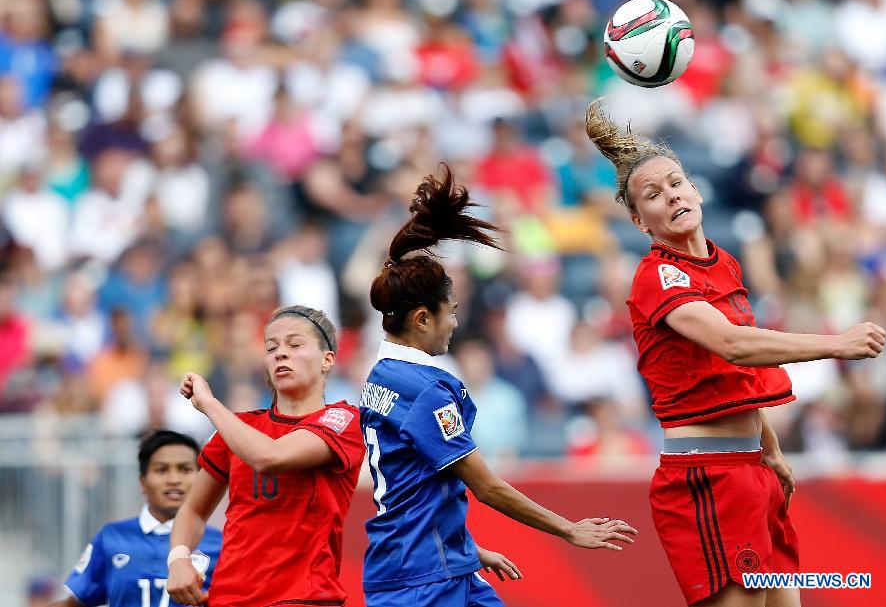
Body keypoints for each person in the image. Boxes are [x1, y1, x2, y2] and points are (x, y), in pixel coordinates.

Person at [584, 99, 886, 607]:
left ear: (696, 189)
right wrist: (836, 344)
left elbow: (729, 371)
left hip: (751, 471)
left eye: (676, 183)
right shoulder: (658, 276)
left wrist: (768, 446)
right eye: (653, 195)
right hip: (707, 477)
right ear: (640, 222)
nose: (672, 196)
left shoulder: (723, 264)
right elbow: (734, 344)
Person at [360, 166, 638, 607]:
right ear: (421, 319)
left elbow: (416, 482)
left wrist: (469, 548)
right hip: (421, 578)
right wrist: (569, 528)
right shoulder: (425, 390)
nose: (454, 322)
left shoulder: (381, 376)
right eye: (449, 311)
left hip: (437, 560)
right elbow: (486, 486)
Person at [167, 305, 365, 606]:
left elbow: (270, 457)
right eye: (271, 347)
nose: (280, 354)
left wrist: (209, 404)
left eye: (295, 344)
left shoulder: (343, 420)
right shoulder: (239, 428)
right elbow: (193, 509)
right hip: (227, 598)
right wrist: (179, 558)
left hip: (303, 599)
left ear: (328, 360)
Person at [52, 430, 221, 607]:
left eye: (184, 469)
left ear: (201, 480)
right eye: (161, 470)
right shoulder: (112, 537)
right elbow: (76, 603)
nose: (173, 479)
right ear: (143, 482)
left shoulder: (220, 543)